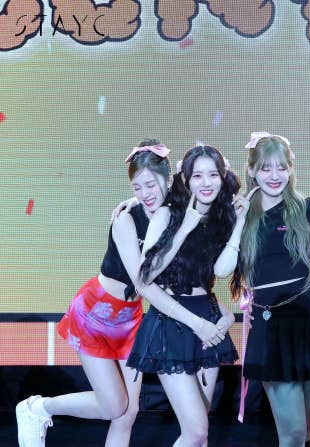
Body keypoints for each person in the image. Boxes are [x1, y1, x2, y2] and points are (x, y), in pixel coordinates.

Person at [15, 140, 172, 447]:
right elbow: (141, 280)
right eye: (137, 187)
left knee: (128, 413)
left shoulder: (171, 214)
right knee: (114, 406)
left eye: (151, 184)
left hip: (131, 319)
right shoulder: (126, 218)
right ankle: (38, 408)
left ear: (168, 179)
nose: (145, 193)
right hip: (96, 313)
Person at [126, 144, 249, 447]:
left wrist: (239, 225)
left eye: (213, 175)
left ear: (223, 177)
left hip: (208, 321)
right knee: (196, 432)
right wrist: (183, 229)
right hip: (173, 323)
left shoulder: (222, 218)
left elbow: (220, 272)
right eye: (197, 176)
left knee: (199, 433)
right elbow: (146, 276)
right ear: (185, 179)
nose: (206, 183)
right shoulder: (167, 214)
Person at [231, 132, 310, 447]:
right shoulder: (239, 214)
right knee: (293, 433)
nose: (274, 176)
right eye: (265, 168)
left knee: (306, 428)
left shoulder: (306, 207)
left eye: (281, 167)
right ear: (251, 170)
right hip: (271, 327)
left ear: (291, 169)